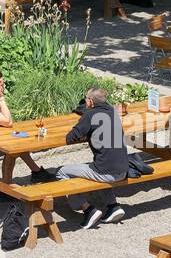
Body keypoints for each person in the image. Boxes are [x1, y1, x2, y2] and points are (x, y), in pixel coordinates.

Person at [49, 87, 128, 228]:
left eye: (86, 99)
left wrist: (84, 126)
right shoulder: (112, 111)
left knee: (61, 171)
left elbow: (70, 138)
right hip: (123, 170)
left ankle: (88, 209)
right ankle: (113, 206)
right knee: (98, 165)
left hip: (105, 172)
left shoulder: (90, 115)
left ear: (90, 101)